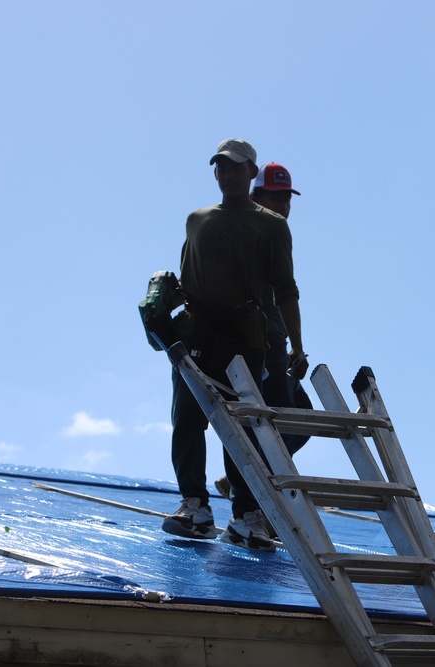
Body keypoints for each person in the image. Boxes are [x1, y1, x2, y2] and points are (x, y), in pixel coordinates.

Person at [162, 138, 307, 553]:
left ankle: (245, 515)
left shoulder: (272, 225)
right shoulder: (197, 219)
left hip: (246, 337)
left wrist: (297, 344)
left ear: (250, 173)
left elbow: (286, 291)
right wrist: (166, 315)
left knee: (243, 426)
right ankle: (195, 507)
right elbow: (185, 280)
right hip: (196, 334)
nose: (226, 174)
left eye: (235, 168)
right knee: (188, 419)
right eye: (220, 168)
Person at [213, 162, 311, 502]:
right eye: (276, 198)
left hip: (275, 345)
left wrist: (294, 349)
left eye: (287, 199)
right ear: (258, 197)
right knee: (277, 423)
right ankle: (253, 497)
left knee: (301, 419)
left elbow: (283, 295)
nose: (283, 206)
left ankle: (242, 481)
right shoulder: (252, 232)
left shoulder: (274, 233)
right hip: (259, 345)